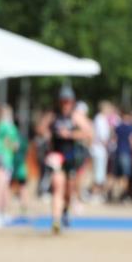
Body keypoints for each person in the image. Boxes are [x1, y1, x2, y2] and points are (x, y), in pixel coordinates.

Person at [38, 86, 93, 234]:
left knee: (68, 191)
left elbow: (89, 133)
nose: (65, 104)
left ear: (72, 102)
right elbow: (40, 128)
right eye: (62, 101)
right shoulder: (53, 115)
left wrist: (70, 134)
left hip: (71, 157)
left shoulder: (76, 116)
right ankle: (55, 221)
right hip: (57, 157)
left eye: (67, 101)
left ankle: (65, 211)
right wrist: (48, 134)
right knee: (58, 187)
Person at [112, 108, 132, 202]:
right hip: (126, 152)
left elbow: (113, 139)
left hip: (118, 152)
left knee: (117, 175)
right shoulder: (131, 128)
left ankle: (116, 194)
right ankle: (124, 195)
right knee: (125, 176)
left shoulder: (118, 127)